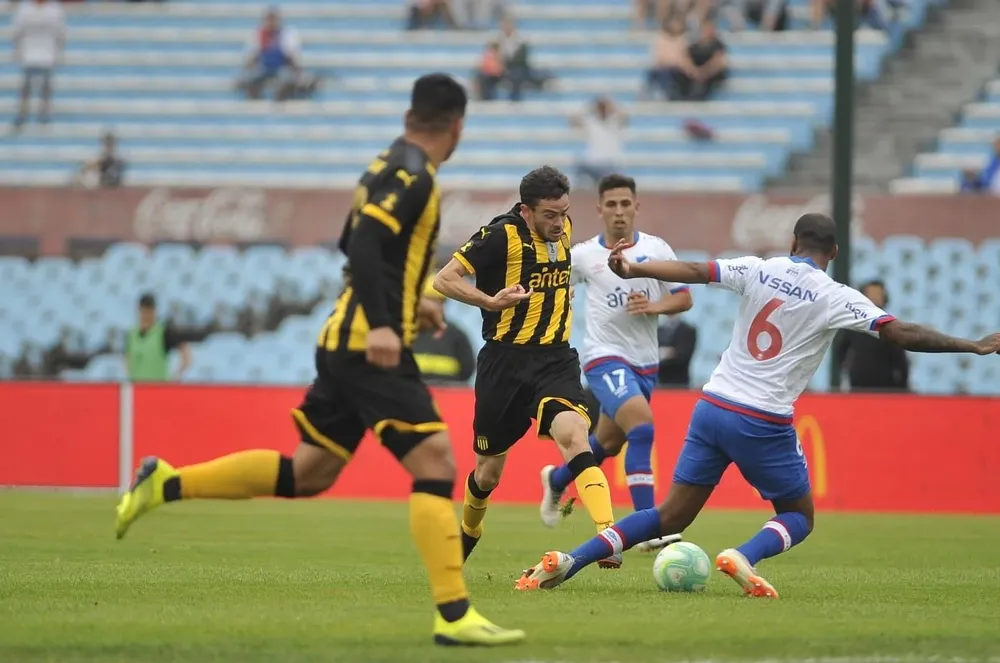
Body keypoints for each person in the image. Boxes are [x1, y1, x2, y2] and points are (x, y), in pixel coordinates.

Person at [114, 74, 524, 647]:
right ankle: (454, 615)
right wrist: (384, 324)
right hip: (364, 344)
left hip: (347, 338)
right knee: (435, 462)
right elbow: (360, 247)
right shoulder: (415, 176)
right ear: (457, 125)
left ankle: (166, 483)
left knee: (310, 473)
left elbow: (351, 241)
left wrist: (410, 309)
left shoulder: (385, 163)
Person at [516, 213, 1000, 595]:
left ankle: (571, 559)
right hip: (762, 420)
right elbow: (900, 333)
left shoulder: (758, 267)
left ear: (792, 243)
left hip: (713, 406)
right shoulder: (835, 295)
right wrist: (972, 346)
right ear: (832, 252)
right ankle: (744, 555)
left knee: (670, 516)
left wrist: (636, 266)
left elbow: (692, 271)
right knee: (799, 515)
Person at [433, 166, 620, 568]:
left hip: (554, 357)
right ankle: (468, 531)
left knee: (574, 434)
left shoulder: (565, 229)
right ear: (526, 211)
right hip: (504, 361)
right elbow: (443, 280)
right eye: (549, 215)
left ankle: (608, 534)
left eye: (563, 212)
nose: (558, 222)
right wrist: (489, 301)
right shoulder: (500, 235)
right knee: (488, 474)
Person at [537, 174, 693, 552]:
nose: (619, 211)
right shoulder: (585, 255)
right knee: (641, 430)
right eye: (612, 204)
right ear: (600, 209)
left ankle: (557, 480)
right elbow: (554, 285)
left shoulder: (657, 249)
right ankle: (650, 528)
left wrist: (655, 306)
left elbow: (684, 298)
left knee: (605, 443)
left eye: (626, 204)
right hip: (603, 357)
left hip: (645, 364)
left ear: (636, 207)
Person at [833, 280, 908, 392]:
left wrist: (902, 387)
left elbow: (901, 361)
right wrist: (846, 368)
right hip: (858, 384)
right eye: (871, 294)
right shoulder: (854, 324)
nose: (875, 298)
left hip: (886, 386)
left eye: (878, 294)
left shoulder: (891, 326)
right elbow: (841, 350)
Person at [11, 0, 66, 128]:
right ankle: (23, 111)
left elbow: (61, 32)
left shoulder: (54, 9)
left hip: (48, 49)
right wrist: (18, 49)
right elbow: (17, 31)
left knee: (46, 85)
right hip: (29, 50)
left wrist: (59, 51)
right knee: (26, 85)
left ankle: (44, 111)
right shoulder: (24, 9)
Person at [124, 293, 191, 382]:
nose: (147, 315)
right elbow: (127, 359)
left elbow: (184, 350)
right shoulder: (132, 334)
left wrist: (177, 374)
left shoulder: (163, 332)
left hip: (158, 389)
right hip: (137, 389)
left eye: (150, 311)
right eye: (144, 310)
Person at [657, 314, 697, 387]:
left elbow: (684, 355)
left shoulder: (688, 330)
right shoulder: (659, 330)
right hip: (660, 382)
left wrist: (666, 354)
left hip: (679, 383)